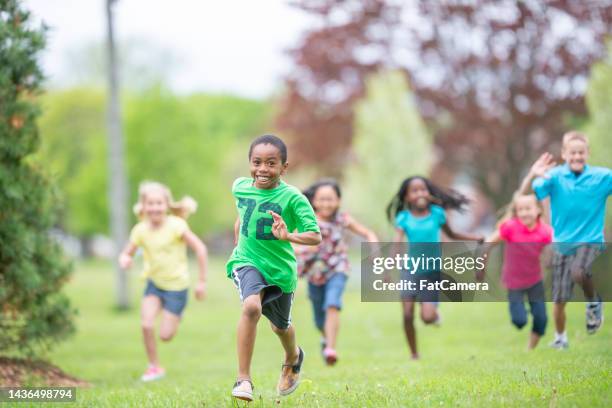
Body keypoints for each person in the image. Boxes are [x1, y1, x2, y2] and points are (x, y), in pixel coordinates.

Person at [226, 135, 322, 402]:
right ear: (249, 164)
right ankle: (243, 379)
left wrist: (288, 235)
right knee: (251, 307)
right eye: (257, 162)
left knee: (280, 328)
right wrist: (238, 233)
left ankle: (293, 356)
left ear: (284, 167)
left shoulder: (293, 198)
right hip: (246, 261)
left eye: (271, 163)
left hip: (280, 272)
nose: (263, 169)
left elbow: (315, 236)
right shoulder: (240, 187)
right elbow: (243, 210)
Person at [520, 132, 611, 349]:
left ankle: (593, 303)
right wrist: (534, 174)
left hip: (590, 239)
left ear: (587, 154)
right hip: (562, 243)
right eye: (573, 153)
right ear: (564, 154)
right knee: (559, 299)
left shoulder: (602, 177)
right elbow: (523, 195)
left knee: (579, 271)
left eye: (581, 152)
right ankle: (560, 338)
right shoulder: (554, 177)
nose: (577, 157)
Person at [118, 181, 208, 382]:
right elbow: (127, 253)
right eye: (150, 203)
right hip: (154, 284)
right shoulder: (140, 230)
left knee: (166, 336)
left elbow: (200, 249)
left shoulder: (177, 225)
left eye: (159, 203)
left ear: (166, 205)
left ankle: (177, 313)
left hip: (177, 287)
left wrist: (202, 281)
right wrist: (125, 259)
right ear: (143, 206)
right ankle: (154, 367)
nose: (155, 208)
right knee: (147, 324)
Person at [387, 176, 483, 359]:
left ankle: (434, 314)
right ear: (407, 197)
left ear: (429, 193)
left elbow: (452, 234)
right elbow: (396, 244)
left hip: (432, 273)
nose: (420, 193)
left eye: (423, 189)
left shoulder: (437, 214)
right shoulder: (404, 218)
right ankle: (414, 353)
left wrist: (474, 237)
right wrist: (388, 267)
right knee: (407, 314)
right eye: (414, 191)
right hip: (411, 271)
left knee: (427, 318)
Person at [297, 179, 378, 365]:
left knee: (332, 303)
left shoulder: (342, 219)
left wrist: (374, 247)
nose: (326, 203)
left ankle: (330, 349)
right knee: (319, 320)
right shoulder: (307, 219)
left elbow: (367, 233)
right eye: (322, 199)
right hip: (314, 273)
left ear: (338, 201)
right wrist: (301, 250)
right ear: (314, 201)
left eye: (330, 199)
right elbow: (290, 241)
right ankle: (326, 338)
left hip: (337, 268)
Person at [479, 193, 552, 349]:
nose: (524, 213)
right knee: (519, 322)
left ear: (538, 210)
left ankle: (529, 350)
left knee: (541, 319)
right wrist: (481, 267)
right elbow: (488, 243)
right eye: (520, 209)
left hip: (535, 281)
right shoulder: (511, 227)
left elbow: (555, 250)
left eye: (528, 208)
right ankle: (521, 311)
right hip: (513, 283)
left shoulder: (545, 231)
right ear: (516, 212)